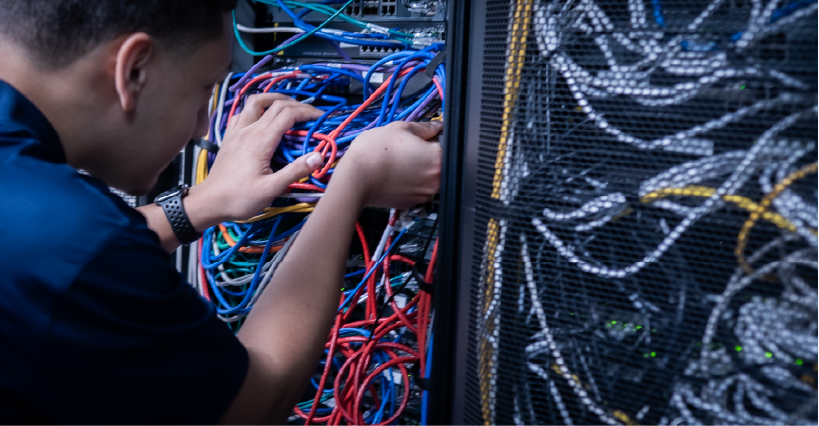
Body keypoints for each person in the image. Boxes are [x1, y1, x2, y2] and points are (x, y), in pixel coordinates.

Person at [0, 1, 442, 424]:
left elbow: (56, 258)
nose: (201, 129)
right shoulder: (70, 244)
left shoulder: (40, 216)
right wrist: (357, 176)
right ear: (133, 70)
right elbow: (251, 404)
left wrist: (206, 201)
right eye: (201, 93)